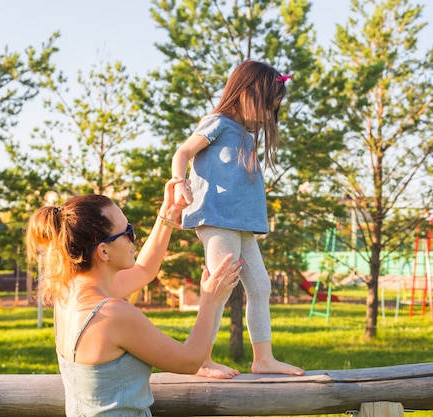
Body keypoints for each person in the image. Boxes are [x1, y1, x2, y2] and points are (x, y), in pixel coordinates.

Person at [25, 177, 243, 417]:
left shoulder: (68, 297)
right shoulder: (113, 315)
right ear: (104, 251)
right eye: (126, 232)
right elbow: (190, 361)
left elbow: (144, 271)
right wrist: (209, 301)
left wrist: (168, 213)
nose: (133, 238)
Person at [171, 59, 305, 379]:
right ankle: (201, 360)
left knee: (260, 285)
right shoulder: (217, 123)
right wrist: (179, 183)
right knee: (221, 287)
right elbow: (183, 152)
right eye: (265, 105)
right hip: (217, 218)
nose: (267, 114)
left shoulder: (245, 133)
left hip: (240, 223)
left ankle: (263, 358)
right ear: (245, 93)